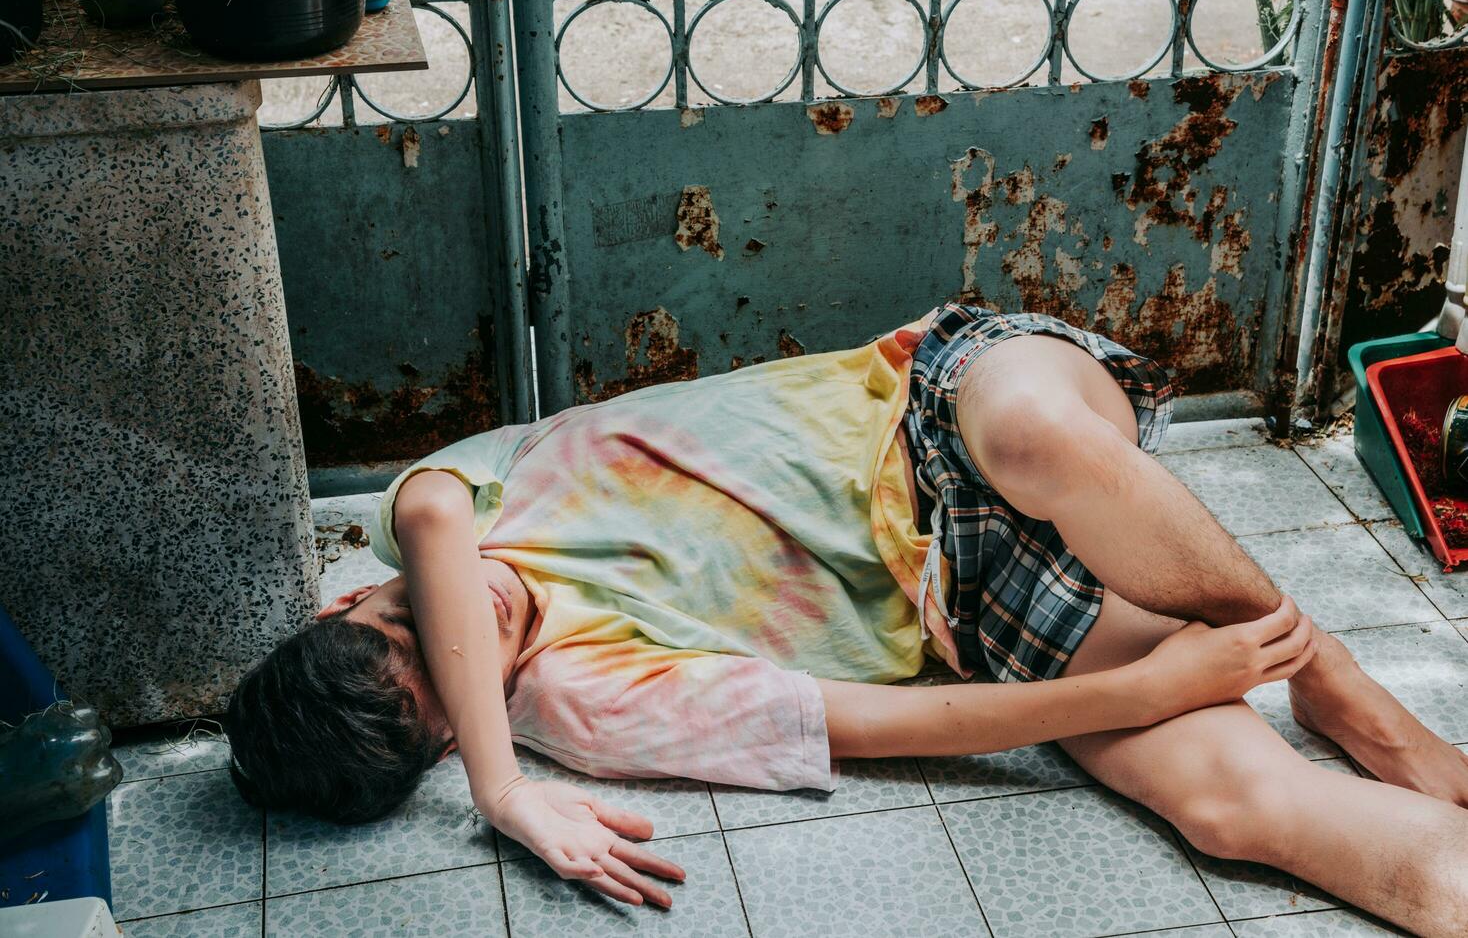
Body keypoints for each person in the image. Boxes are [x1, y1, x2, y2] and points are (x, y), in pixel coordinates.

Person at [226, 305, 1468, 936]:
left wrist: (500, 790)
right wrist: (1138, 696)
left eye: (400, 623)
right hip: (973, 604)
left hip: (944, 397)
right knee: (1231, 809)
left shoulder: (441, 509)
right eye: (457, 684)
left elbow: (440, 539)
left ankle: (1338, 679)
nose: (471, 621)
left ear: (357, 592)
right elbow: (889, 718)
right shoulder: (575, 696)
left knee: (1039, 440)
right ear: (451, 729)